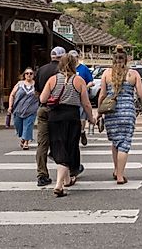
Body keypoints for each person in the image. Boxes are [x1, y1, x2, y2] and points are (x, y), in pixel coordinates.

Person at [38, 52, 96, 197]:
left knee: (59, 147)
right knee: (70, 147)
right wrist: (91, 118)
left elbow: (42, 98)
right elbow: (86, 104)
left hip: (55, 116)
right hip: (72, 116)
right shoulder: (79, 80)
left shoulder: (53, 79)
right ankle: (60, 184)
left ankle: (66, 179)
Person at [98, 44, 142, 184]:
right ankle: (120, 175)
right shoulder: (134, 74)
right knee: (124, 143)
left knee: (115, 142)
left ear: (113, 60)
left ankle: (116, 170)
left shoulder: (106, 73)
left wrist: (99, 112)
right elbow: (141, 94)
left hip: (111, 112)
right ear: (126, 60)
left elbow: (102, 95)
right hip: (128, 112)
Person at [33, 46, 66, 186]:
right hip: (59, 110)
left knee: (42, 143)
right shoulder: (63, 71)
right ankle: (66, 173)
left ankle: (42, 174)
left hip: (43, 108)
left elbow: (36, 92)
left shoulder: (41, 70)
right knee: (62, 141)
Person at [8, 68, 39, 150]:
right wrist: (10, 106)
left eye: (31, 73)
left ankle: (26, 142)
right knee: (18, 126)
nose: (29, 75)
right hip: (18, 109)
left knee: (28, 125)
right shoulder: (19, 84)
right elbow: (12, 95)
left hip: (31, 109)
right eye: (27, 73)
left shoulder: (36, 85)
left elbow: (40, 95)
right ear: (24, 75)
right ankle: (23, 138)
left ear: (33, 75)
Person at [70, 50, 95, 146]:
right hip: (71, 96)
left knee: (82, 117)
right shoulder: (68, 69)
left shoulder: (83, 69)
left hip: (82, 95)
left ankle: (82, 131)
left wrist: (85, 87)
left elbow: (91, 81)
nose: (73, 59)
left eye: (75, 57)